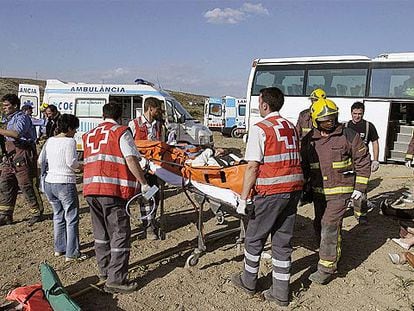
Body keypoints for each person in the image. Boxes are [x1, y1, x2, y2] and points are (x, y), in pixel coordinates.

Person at [231, 87, 303, 306]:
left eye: (259, 101)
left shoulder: (260, 128)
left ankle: (248, 282)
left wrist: (243, 200)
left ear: (264, 105)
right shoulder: (290, 126)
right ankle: (280, 293)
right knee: (282, 242)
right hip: (293, 190)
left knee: (254, 239)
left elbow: (252, 167)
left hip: (271, 191)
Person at [301, 98, 371, 285]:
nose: (330, 122)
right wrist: (303, 189)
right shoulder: (309, 140)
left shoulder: (349, 135)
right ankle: (328, 250)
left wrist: (360, 188)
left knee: (329, 223)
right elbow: (304, 167)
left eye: (332, 118)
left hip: (341, 191)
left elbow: (363, 161)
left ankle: (327, 268)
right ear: (315, 120)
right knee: (318, 224)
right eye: (325, 120)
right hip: (319, 192)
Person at [83, 102, 150, 294]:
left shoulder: (89, 135)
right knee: (120, 233)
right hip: (112, 190)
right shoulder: (121, 131)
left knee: (101, 234)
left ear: (103, 115)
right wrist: (143, 182)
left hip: (90, 190)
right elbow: (130, 159)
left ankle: (105, 271)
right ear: (120, 116)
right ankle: (116, 279)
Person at [38, 114, 86, 262]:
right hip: (64, 183)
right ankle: (72, 253)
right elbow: (72, 163)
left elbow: (40, 161)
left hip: (50, 183)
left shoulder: (50, 141)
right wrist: (83, 166)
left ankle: (59, 248)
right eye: (75, 129)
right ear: (70, 128)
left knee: (58, 216)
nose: (75, 132)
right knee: (71, 218)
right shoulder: (69, 142)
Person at [0, 94, 44, 226]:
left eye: (7, 105)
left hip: (23, 153)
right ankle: (6, 214)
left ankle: (36, 211)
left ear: (15, 106)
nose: (4, 108)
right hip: (10, 154)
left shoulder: (22, 118)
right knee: (5, 182)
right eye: (3, 105)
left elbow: (16, 134)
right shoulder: (7, 119)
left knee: (26, 184)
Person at [128, 97, 164, 240]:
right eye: (158, 109)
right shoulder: (134, 124)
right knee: (144, 197)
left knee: (155, 195)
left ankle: (151, 221)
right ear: (151, 108)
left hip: (155, 167)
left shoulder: (159, 125)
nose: (159, 112)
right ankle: (148, 227)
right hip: (140, 168)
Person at [344, 101, 380, 223]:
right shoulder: (345, 126)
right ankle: (344, 209)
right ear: (351, 113)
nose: (357, 116)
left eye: (360, 114)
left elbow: (375, 142)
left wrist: (375, 160)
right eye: (355, 113)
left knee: (361, 189)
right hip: (348, 163)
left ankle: (361, 215)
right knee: (345, 187)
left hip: (362, 163)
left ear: (363, 113)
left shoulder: (369, 126)